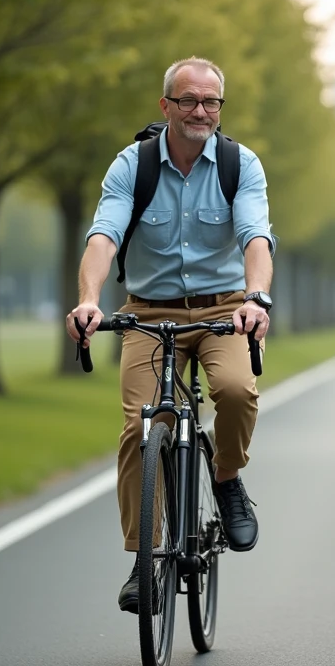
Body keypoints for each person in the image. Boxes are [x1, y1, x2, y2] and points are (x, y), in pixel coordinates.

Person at [66, 57, 276, 614]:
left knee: (235, 390)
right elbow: (103, 236)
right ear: (166, 107)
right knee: (141, 428)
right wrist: (89, 299)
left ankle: (228, 480)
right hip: (147, 314)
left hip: (224, 311)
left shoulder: (239, 164)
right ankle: (144, 563)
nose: (200, 111)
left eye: (210, 102)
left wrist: (256, 297)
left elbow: (256, 235)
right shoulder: (132, 167)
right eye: (188, 100)